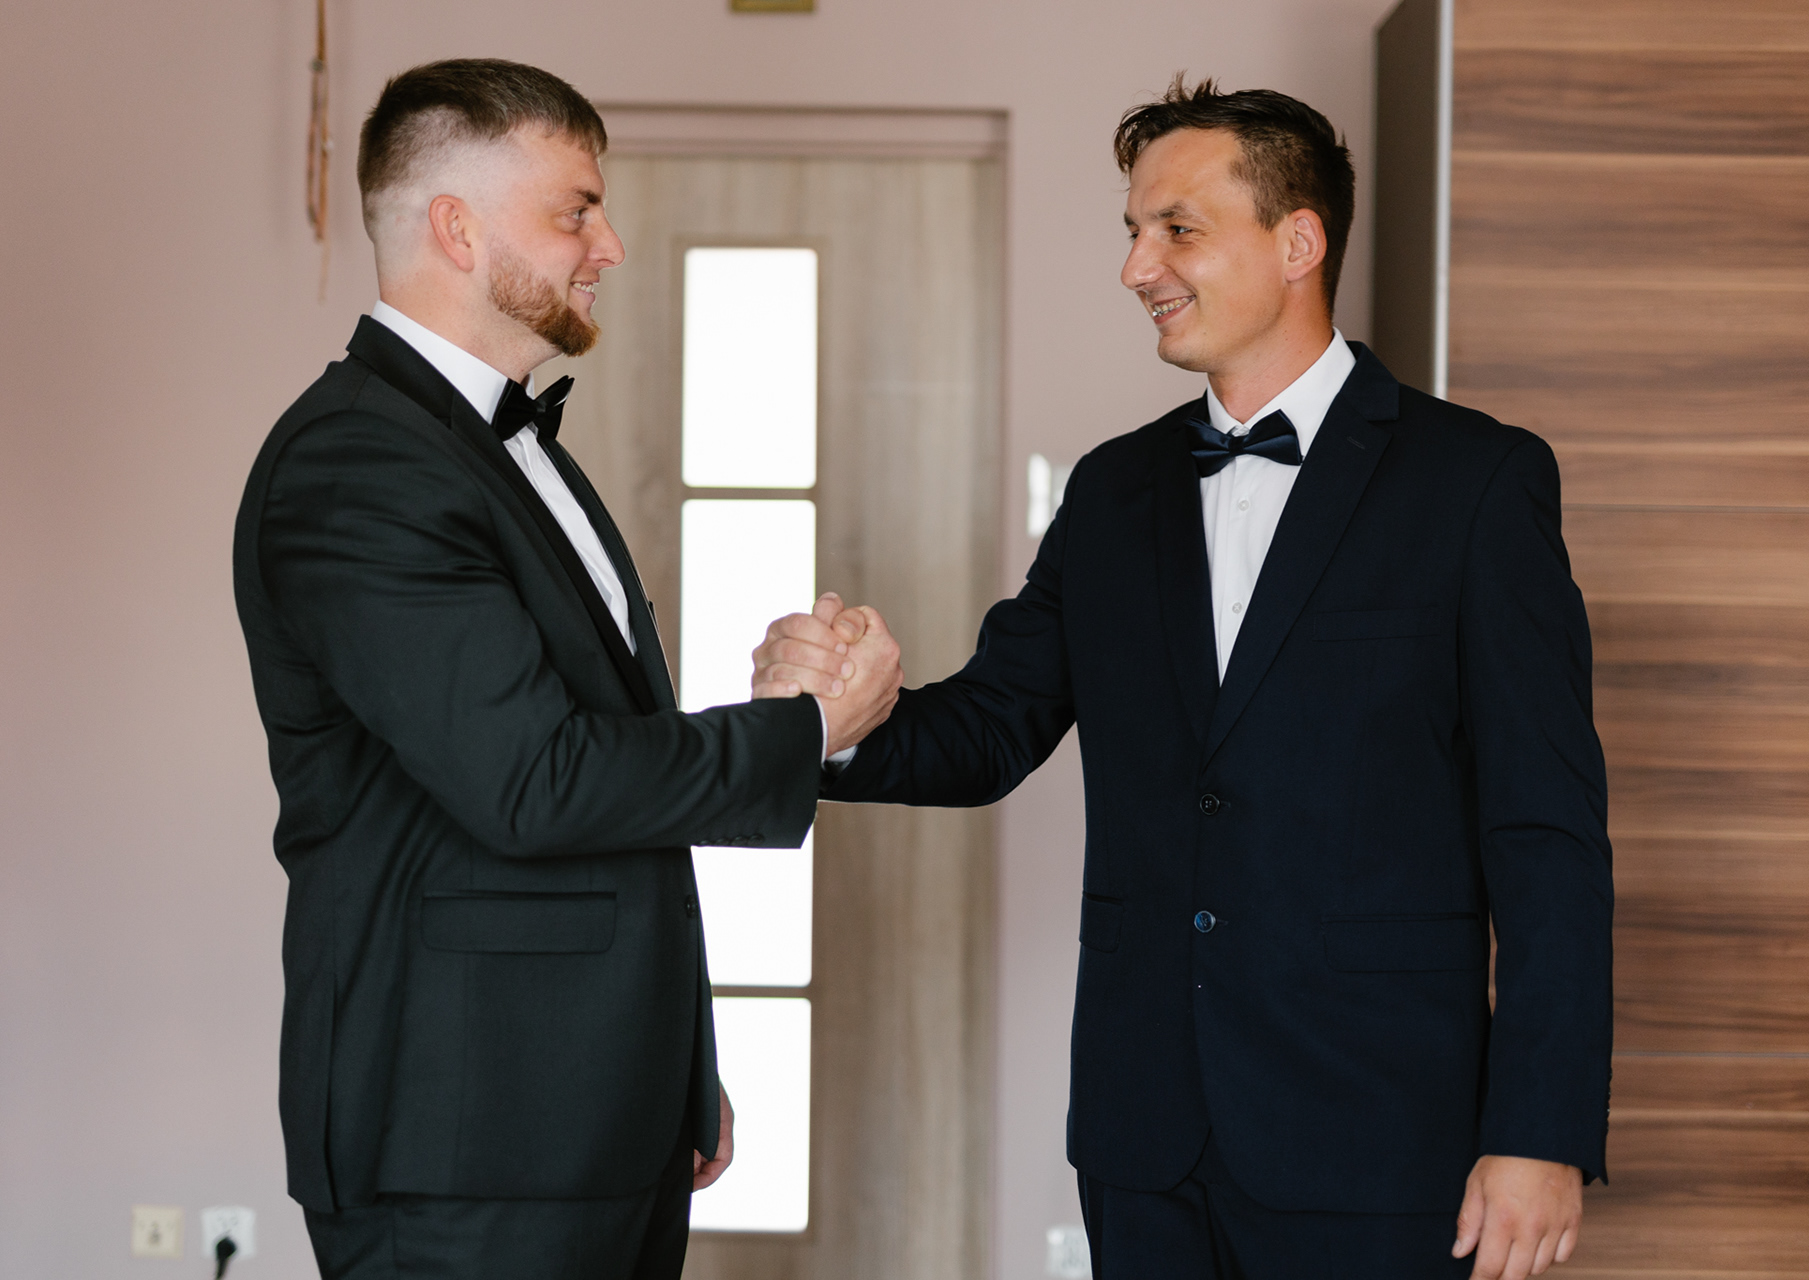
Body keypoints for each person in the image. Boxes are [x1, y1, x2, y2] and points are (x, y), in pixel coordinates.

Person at [757, 78, 1612, 1279]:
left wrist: (1540, 1127)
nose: (1136, 268)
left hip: (1384, 1131)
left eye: (1176, 229)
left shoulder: (1477, 482)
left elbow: (1546, 832)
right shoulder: (1113, 491)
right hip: (1144, 1132)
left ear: (1298, 242)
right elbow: (992, 724)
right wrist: (832, 718)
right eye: (1132, 231)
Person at [232, 59, 898, 1280]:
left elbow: (599, 804)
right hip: (463, 1140)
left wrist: (674, 1067)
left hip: (592, 1116)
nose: (611, 246)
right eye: (575, 211)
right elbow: (535, 781)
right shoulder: (356, 466)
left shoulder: (501, 443)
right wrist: (804, 729)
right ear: (457, 228)